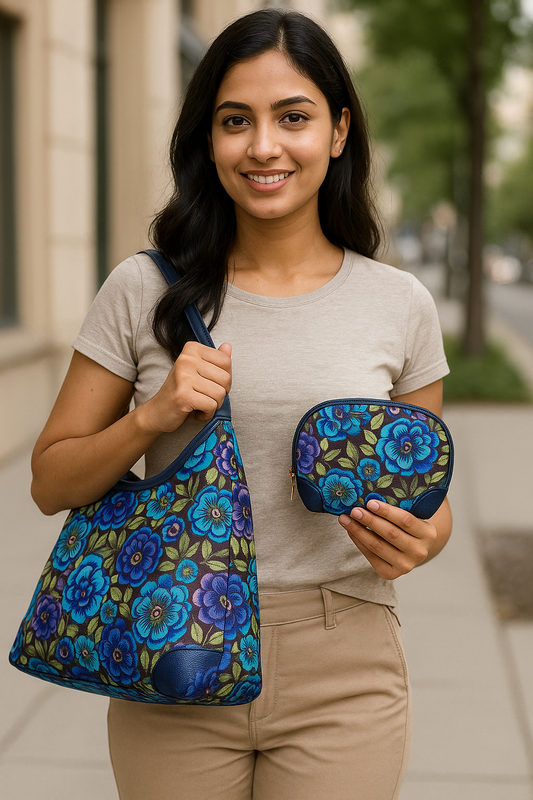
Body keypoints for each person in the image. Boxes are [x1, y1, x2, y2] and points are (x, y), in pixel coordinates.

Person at [30, 8, 452, 800]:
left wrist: (420, 540)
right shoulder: (145, 288)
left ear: (336, 132)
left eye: (291, 117)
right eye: (235, 121)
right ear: (207, 139)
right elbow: (50, 481)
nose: (262, 146)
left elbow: (431, 499)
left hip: (344, 661)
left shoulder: (399, 305)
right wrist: (150, 418)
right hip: (175, 639)